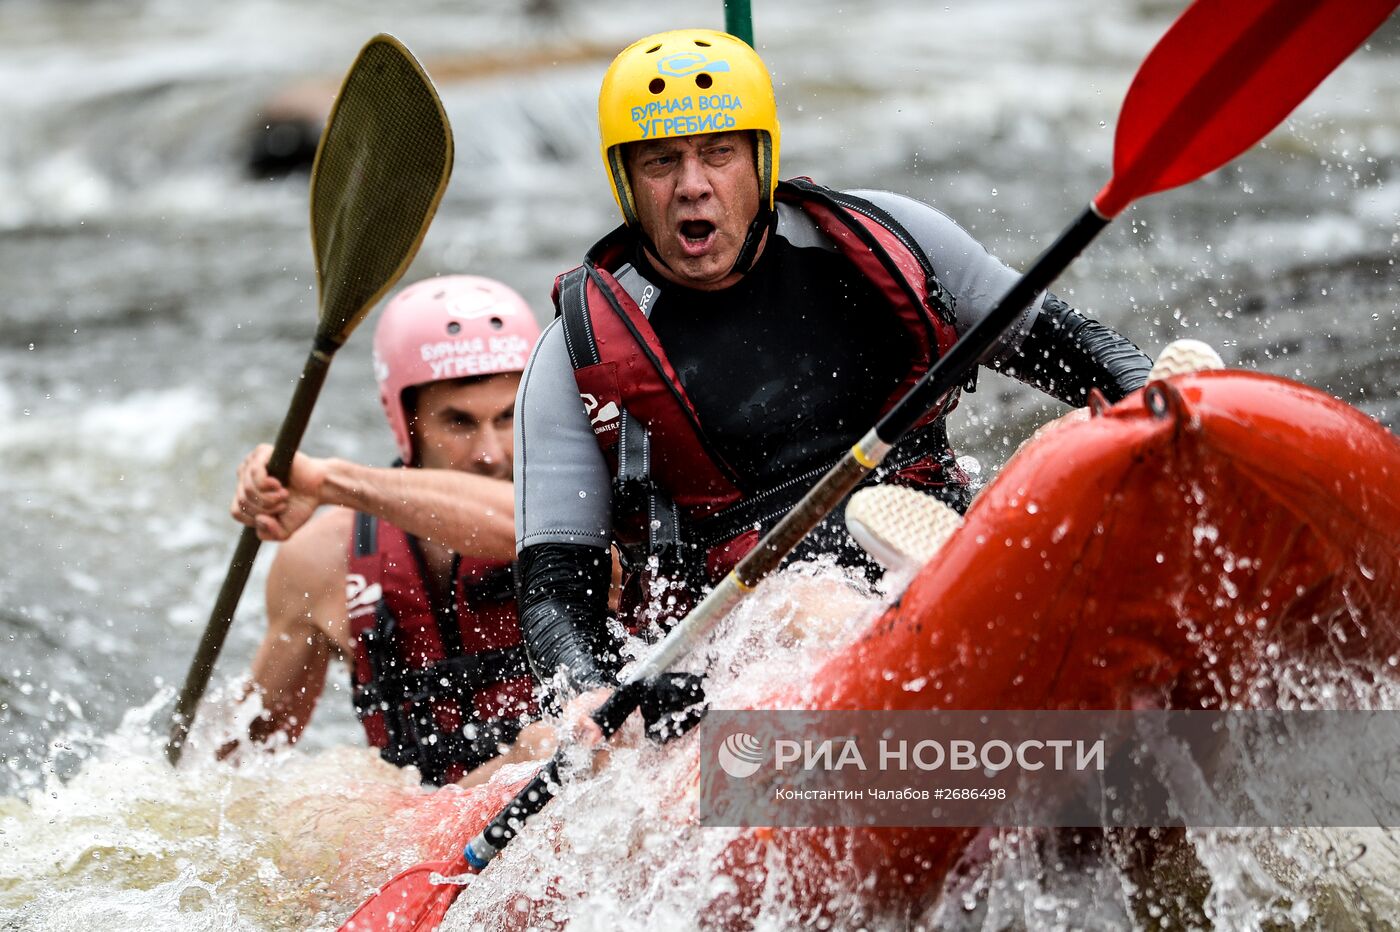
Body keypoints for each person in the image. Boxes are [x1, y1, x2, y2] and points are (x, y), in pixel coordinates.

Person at [512, 30, 1154, 735]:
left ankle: (975, 631)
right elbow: (554, 595)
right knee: (814, 606)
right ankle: (942, 657)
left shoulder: (887, 236)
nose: (692, 184)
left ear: (761, 160)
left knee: (1072, 446)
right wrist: (585, 694)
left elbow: (1078, 350)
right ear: (626, 182)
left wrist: (1158, 403)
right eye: (661, 161)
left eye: (718, 153)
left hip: (937, 554)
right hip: (740, 650)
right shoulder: (574, 356)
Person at [230, 274, 552, 786]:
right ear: (406, 421)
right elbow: (239, 766)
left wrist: (326, 480)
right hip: (414, 842)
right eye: (460, 423)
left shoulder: (586, 515)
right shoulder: (322, 561)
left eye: (509, 416)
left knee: (548, 747)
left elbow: (529, 521)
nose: (491, 452)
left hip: (561, 810)